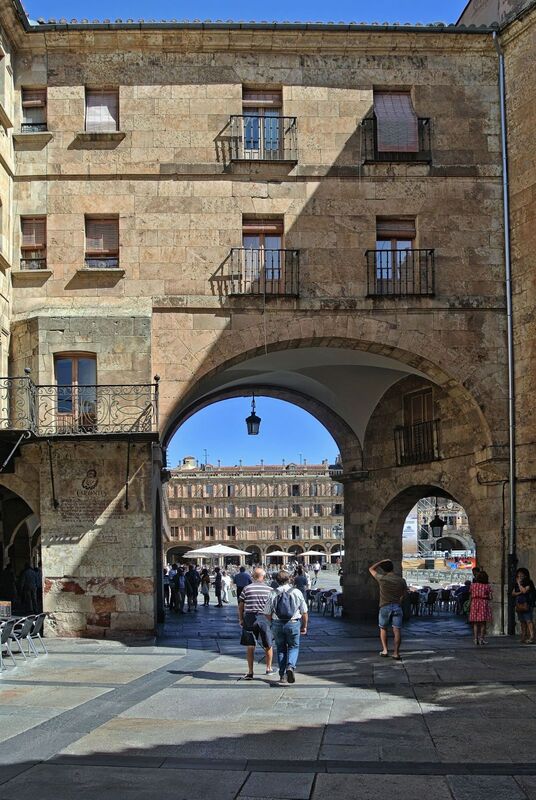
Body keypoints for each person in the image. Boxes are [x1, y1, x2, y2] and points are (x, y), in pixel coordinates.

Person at [265, 570, 308, 684]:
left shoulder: (272, 593)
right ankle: (290, 666)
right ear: (289, 579)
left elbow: (267, 612)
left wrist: (273, 623)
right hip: (293, 623)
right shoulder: (297, 592)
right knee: (294, 646)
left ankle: (282, 675)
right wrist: (304, 626)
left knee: (281, 648)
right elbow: (304, 612)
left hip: (277, 623)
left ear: (276, 581)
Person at [238, 567, 274, 679]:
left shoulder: (247, 589)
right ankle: (268, 668)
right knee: (268, 644)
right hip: (264, 618)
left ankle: (250, 671)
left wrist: (241, 619)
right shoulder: (270, 590)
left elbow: (240, 606)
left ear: (253, 577)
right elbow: (273, 607)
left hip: (249, 618)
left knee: (250, 646)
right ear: (263, 576)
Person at [368, 559, 408, 660]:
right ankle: (396, 653)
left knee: (383, 628)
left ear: (383, 569)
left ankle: (385, 650)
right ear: (392, 568)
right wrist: (399, 601)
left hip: (384, 606)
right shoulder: (401, 580)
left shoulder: (382, 579)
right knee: (397, 630)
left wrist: (381, 562)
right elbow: (404, 593)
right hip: (397, 606)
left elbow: (371, 569)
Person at [512, 567, 535, 644]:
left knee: (529, 621)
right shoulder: (516, 584)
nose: (520, 577)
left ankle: (532, 637)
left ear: (525, 575)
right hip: (519, 605)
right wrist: (519, 592)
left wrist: (519, 584)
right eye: (518, 576)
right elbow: (513, 593)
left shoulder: (529, 583)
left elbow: (524, 591)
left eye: (521, 575)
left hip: (527, 604)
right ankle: (523, 636)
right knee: (522, 621)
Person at [469, 570, 492, 645]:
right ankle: (481, 639)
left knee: (475, 623)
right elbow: (490, 597)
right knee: (483, 623)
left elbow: (470, 594)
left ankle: (475, 639)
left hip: (474, 603)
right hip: (483, 604)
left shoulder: (473, 585)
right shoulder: (487, 586)